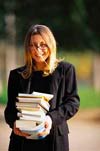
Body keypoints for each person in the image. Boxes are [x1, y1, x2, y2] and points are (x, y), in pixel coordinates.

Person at [4, 24, 80, 151]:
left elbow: (73, 103)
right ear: (27, 47)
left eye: (43, 44)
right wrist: (14, 124)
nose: (37, 49)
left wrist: (50, 119)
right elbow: (10, 110)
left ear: (51, 44)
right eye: (33, 45)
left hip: (55, 140)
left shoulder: (66, 70)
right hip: (21, 142)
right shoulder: (16, 75)